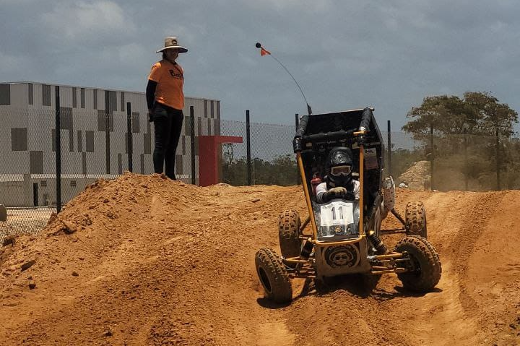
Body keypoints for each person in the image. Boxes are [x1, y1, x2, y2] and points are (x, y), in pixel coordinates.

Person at [146, 37, 188, 180]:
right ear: (165, 52)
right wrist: (150, 109)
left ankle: (170, 175)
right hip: (162, 107)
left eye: (175, 50)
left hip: (177, 109)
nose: (173, 53)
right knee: (161, 144)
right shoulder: (159, 66)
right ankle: (158, 175)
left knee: (172, 145)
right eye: (170, 50)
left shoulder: (179, 69)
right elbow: (150, 89)